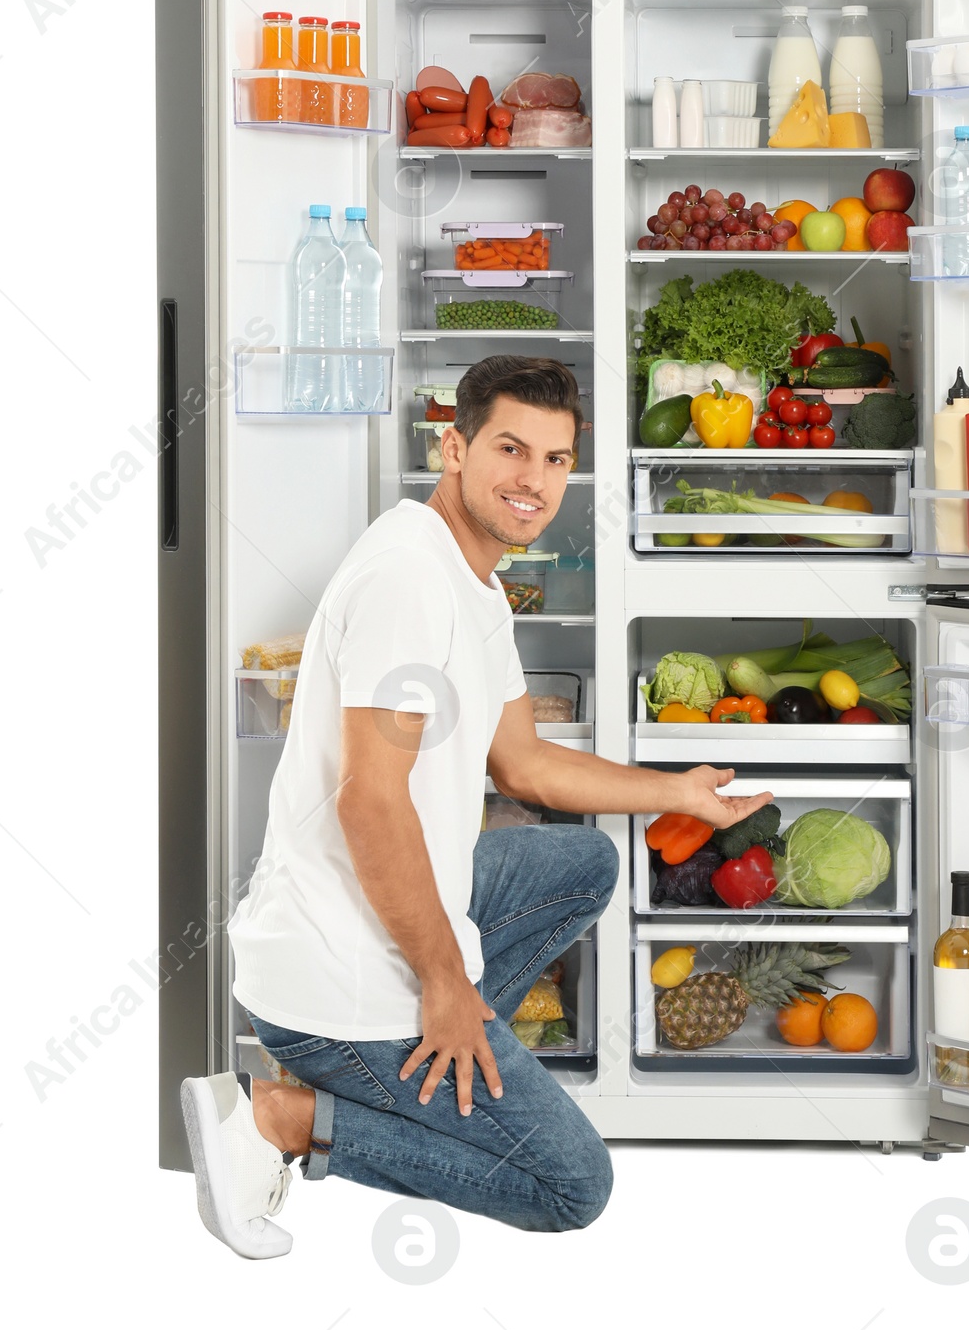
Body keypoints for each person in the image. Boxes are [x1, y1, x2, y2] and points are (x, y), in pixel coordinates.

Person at [181, 354, 764, 1257]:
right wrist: (448, 985)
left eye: (557, 460)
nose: (533, 480)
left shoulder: (474, 576)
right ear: (452, 448)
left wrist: (674, 792)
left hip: (359, 923)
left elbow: (524, 764)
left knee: (585, 861)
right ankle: (288, 1116)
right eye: (510, 449)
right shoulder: (411, 580)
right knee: (572, 1184)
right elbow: (369, 805)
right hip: (333, 985)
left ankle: (420, 1058)